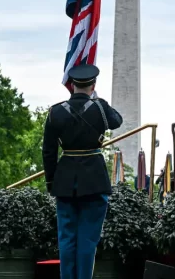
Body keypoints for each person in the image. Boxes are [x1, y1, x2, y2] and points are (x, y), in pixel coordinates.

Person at [42, 64, 123, 279]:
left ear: (72, 85)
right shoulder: (100, 108)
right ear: (93, 85)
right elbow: (117, 120)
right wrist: (98, 100)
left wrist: (51, 182)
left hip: (65, 181)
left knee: (66, 239)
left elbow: (49, 152)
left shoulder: (55, 112)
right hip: (94, 180)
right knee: (88, 240)